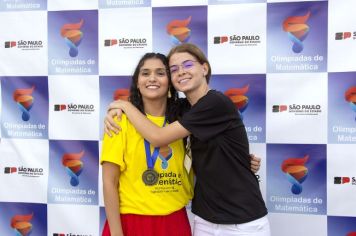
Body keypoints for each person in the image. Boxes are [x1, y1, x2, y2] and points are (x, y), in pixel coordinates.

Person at [104, 43, 270, 236]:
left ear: (204, 68)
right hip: (204, 220)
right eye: (174, 69)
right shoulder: (182, 110)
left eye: (188, 65)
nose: (181, 72)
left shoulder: (215, 103)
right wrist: (118, 108)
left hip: (242, 222)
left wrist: (123, 105)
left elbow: (158, 137)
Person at [101, 53, 193, 236]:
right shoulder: (119, 120)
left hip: (175, 221)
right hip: (132, 221)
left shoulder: (184, 119)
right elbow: (109, 181)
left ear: (170, 81)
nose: (152, 78)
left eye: (160, 73)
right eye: (145, 73)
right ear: (137, 82)